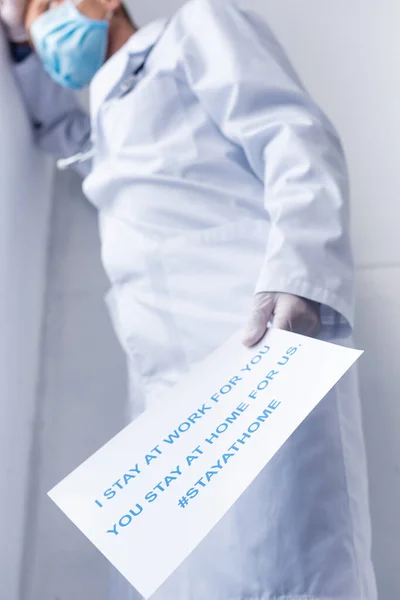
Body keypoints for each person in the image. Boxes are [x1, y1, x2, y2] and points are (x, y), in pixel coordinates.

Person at [1, 0, 377, 598]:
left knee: (286, 559)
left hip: (258, 343)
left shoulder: (195, 29)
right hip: (171, 393)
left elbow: (291, 134)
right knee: (199, 579)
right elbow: (58, 133)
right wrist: (20, 44)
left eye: (49, 6)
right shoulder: (103, 118)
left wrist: (301, 273)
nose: (46, 28)